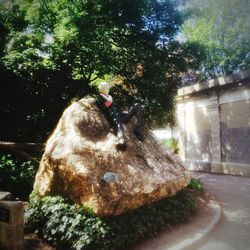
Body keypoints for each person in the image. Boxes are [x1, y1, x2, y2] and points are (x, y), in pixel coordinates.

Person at [96, 81, 144, 150]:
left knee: (137, 105)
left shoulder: (109, 97)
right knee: (118, 124)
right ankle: (121, 139)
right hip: (112, 115)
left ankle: (137, 128)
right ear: (103, 89)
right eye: (107, 88)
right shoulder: (99, 98)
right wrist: (110, 101)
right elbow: (103, 107)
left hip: (121, 114)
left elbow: (116, 107)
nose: (109, 89)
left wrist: (111, 101)